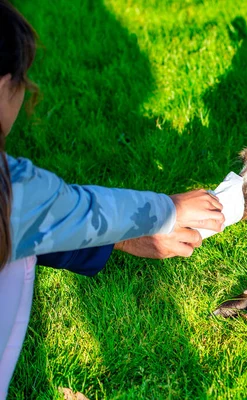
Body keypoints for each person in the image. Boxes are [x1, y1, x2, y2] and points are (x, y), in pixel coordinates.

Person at [0, 1, 225, 398]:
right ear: (4, 88)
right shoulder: (11, 188)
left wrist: (122, 238)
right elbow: (71, 212)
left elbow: (35, 226)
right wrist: (168, 210)